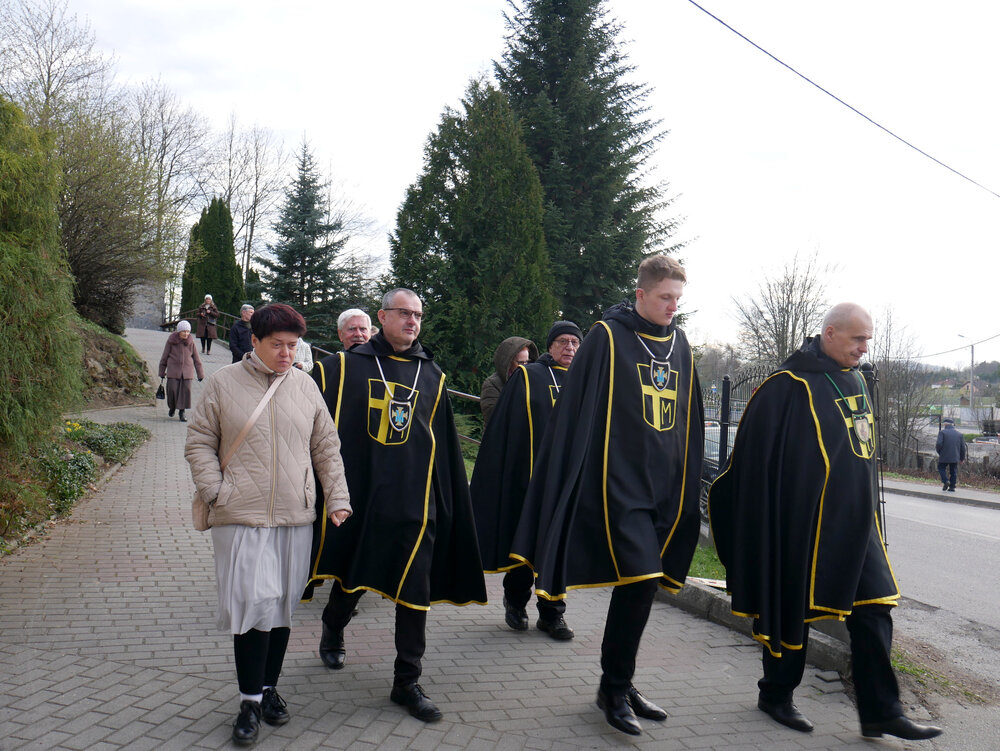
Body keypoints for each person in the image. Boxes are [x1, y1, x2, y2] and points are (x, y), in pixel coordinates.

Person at [708, 303, 942, 742]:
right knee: (792, 609)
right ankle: (776, 694)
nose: (864, 347)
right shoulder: (785, 386)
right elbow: (756, 462)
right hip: (802, 525)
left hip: (856, 525)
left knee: (876, 606)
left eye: (868, 339)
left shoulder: (856, 380)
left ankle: (881, 711)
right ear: (830, 334)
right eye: (857, 338)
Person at [510, 256, 704, 736]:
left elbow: (687, 417)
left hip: (662, 489)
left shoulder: (680, 344)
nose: (673, 307)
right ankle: (613, 689)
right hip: (617, 486)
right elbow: (578, 414)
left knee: (642, 586)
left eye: (678, 299)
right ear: (641, 294)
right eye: (665, 297)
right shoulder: (608, 336)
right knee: (640, 578)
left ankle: (620, 682)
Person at [307, 288, 487, 723]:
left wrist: (449, 503)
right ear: (382, 317)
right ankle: (333, 625)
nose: (412, 321)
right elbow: (306, 428)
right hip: (360, 498)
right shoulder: (340, 368)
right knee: (354, 577)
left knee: (415, 592)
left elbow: (444, 447)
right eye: (403, 313)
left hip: (414, 504)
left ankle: (407, 681)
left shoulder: (433, 376)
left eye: (418, 315)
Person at [185, 303, 351, 747]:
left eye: (293, 346)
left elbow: (326, 447)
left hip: (295, 516)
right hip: (240, 515)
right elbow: (199, 442)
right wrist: (217, 491)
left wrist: (337, 499)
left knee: (280, 607)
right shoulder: (223, 383)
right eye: (277, 345)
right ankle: (248, 702)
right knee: (253, 606)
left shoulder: (306, 386)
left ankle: (268, 688)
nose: (286, 354)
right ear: (254, 340)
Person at [470, 321, 582, 639]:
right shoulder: (528, 376)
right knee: (524, 545)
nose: (570, 347)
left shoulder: (585, 380)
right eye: (563, 341)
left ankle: (552, 615)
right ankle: (516, 602)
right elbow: (507, 426)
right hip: (529, 479)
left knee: (557, 549)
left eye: (575, 342)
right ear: (550, 346)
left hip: (565, 483)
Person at [479, 337, 537, 426]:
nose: (525, 367)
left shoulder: (532, 382)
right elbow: (494, 417)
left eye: (527, 362)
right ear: (509, 362)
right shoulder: (492, 384)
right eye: (521, 363)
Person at [158, 320, 204, 422]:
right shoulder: (171, 341)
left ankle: (182, 412)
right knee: (172, 390)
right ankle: (172, 407)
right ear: (179, 331)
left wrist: (200, 374)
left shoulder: (191, 342)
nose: (186, 334)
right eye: (184, 331)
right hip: (173, 371)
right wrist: (161, 371)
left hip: (187, 372)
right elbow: (164, 357)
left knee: (185, 392)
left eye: (188, 332)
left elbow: (196, 359)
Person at [935, 418, 967, 491]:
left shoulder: (942, 433)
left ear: (945, 424)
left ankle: (946, 481)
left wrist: (940, 452)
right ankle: (952, 487)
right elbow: (962, 448)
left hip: (944, 455)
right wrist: (962, 458)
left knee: (941, 468)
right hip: (955, 456)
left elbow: (939, 444)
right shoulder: (959, 434)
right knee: (953, 471)